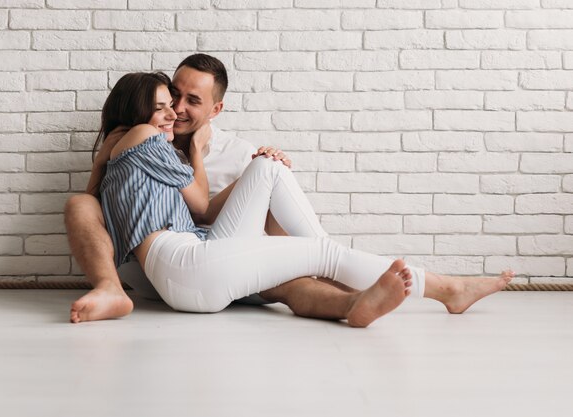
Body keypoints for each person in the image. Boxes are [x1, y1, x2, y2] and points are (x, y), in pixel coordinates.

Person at [65, 54, 513, 325]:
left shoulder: (123, 150)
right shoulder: (146, 139)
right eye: (163, 104)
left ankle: (355, 301)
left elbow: (200, 213)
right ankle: (446, 290)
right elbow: (198, 204)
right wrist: (196, 150)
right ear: (139, 111)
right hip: (184, 263)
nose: (173, 113)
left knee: (269, 169)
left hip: (204, 258)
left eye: (184, 103)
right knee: (324, 253)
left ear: (216, 108)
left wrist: (255, 171)